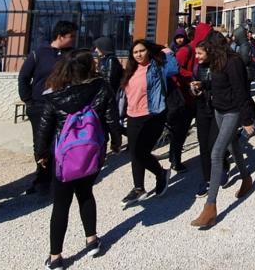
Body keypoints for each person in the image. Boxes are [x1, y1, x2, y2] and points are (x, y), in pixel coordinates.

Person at [34, 50, 122, 270]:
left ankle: (56, 256)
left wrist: (41, 153)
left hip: (64, 155)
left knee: (61, 204)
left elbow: (44, 128)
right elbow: (112, 118)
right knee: (86, 194)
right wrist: (116, 142)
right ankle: (91, 240)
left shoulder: (54, 94)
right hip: (91, 151)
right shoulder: (101, 87)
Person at [189, 30, 255, 229]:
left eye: (207, 48)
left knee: (217, 152)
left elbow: (240, 91)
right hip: (219, 109)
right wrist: (204, 84)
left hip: (232, 112)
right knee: (233, 146)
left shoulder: (234, 62)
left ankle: (210, 207)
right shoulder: (216, 62)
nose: (203, 52)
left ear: (215, 47)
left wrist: (246, 120)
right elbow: (218, 83)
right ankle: (246, 178)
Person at [18, 21, 78, 195]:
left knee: (61, 141)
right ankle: (42, 178)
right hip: (40, 106)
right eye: (71, 36)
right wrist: (28, 100)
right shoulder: (39, 54)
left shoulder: (71, 55)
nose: (74, 40)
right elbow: (24, 77)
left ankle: (59, 175)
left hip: (62, 106)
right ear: (60, 36)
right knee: (41, 143)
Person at [118, 39, 179, 207]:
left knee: (141, 151)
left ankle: (161, 173)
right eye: (135, 52)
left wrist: (168, 52)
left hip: (152, 115)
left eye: (142, 51)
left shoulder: (157, 66)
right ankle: (139, 188)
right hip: (132, 115)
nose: (138, 54)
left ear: (148, 51)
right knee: (134, 153)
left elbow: (174, 68)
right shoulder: (131, 70)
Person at [188, 24, 218, 197]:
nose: (196, 56)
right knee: (203, 145)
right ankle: (207, 178)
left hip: (217, 109)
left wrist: (205, 85)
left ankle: (223, 168)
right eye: (196, 53)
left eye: (199, 53)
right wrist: (194, 89)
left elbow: (222, 85)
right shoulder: (197, 68)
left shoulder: (218, 65)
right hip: (202, 108)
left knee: (215, 144)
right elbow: (193, 82)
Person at [169, 29, 197, 172]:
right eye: (177, 37)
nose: (179, 40)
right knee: (180, 130)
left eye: (181, 37)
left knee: (180, 130)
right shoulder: (185, 51)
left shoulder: (182, 49)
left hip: (185, 93)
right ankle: (175, 160)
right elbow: (176, 69)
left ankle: (174, 157)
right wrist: (191, 76)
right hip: (182, 94)